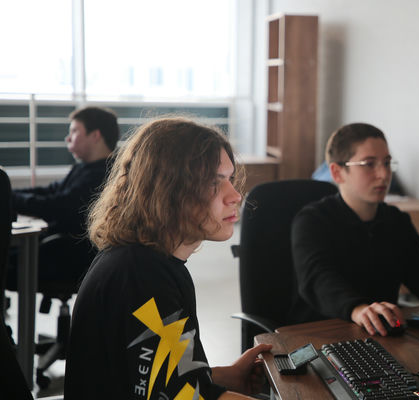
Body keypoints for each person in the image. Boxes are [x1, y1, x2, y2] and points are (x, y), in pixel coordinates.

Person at [64, 117, 272, 400]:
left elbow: (168, 381)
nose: (235, 195)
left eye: (230, 179)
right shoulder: (142, 277)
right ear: (168, 190)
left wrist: (225, 377)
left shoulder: (147, 263)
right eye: (214, 182)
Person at [291, 122, 419, 336]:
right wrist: (357, 309)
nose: (384, 174)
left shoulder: (396, 221)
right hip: (322, 335)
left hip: (381, 334)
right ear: (338, 173)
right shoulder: (312, 221)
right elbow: (318, 279)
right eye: (369, 164)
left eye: (387, 163)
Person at [9, 106, 120, 284]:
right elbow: (49, 191)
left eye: (74, 131)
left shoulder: (103, 174)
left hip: (69, 255)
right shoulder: (83, 169)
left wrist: (8, 197)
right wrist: (8, 192)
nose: (68, 138)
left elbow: (55, 206)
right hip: (56, 247)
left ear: (95, 136)